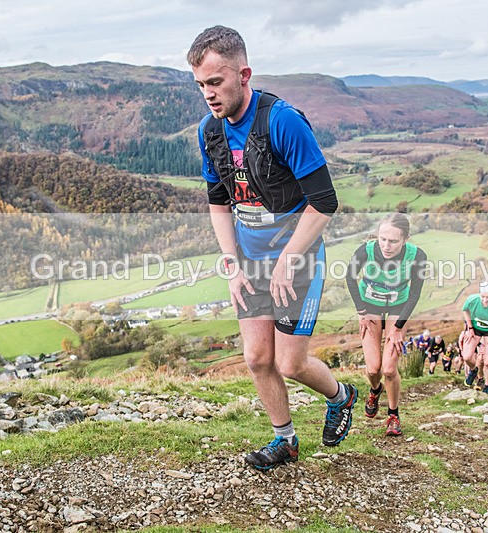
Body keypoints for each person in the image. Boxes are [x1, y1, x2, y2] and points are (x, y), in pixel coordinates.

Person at [189, 26, 356, 470]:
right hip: (250, 261)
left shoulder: (282, 121)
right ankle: (286, 440)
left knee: (291, 363)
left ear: (244, 74)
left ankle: (341, 396)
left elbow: (325, 202)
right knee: (257, 358)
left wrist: (290, 258)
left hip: (296, 258)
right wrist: (232, 264)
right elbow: (218, 202)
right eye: (201, 85)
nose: (208, 94)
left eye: (216, 82)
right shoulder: (210, 132)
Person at [345, 212, 427, 436]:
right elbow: (350, 277)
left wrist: (399, 327)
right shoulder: (366, 250)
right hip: (370, 307)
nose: (386, 246)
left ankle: (393, 415)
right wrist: (361, 312)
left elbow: (414, 294)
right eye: (382, 239)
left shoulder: (417, 256)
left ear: (405, 240)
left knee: (389, 369)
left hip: (397, 308)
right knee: (373, 368)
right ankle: (375, 390)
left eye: (393, 241)